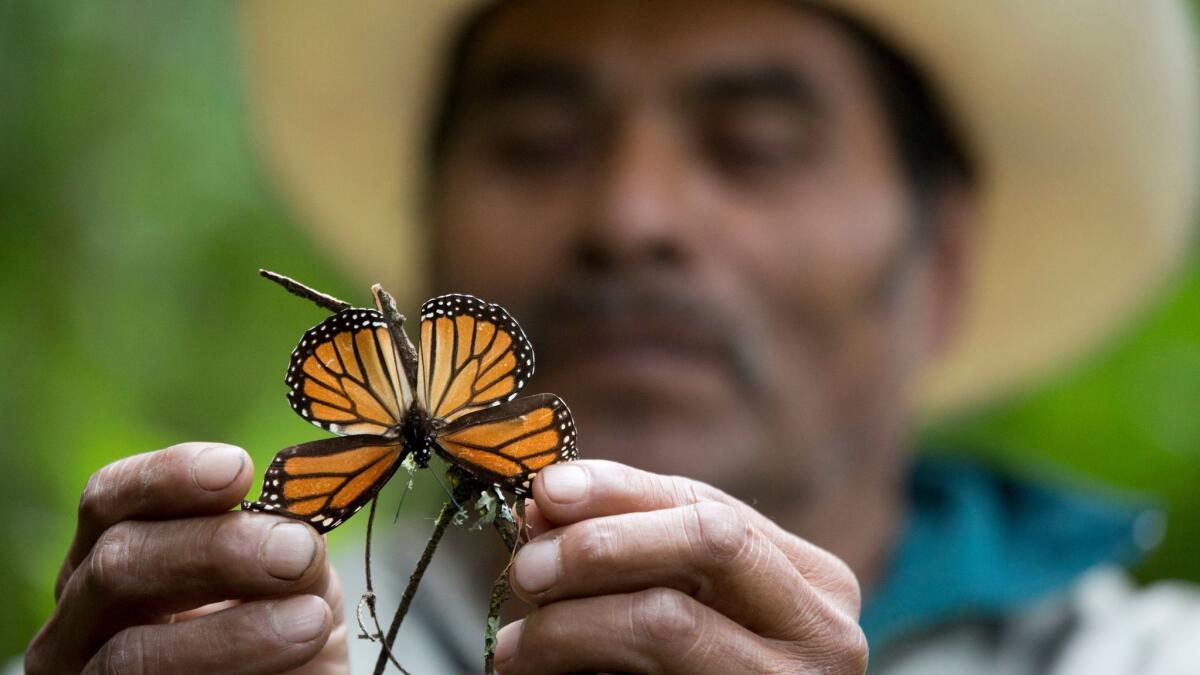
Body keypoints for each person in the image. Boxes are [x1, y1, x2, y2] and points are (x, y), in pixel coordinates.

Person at [23, 0, 1199, 673]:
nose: (630, 218)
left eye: (753, 146)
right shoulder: (231, 640)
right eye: (536, 143)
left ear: (940, 266)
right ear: (426, 244)